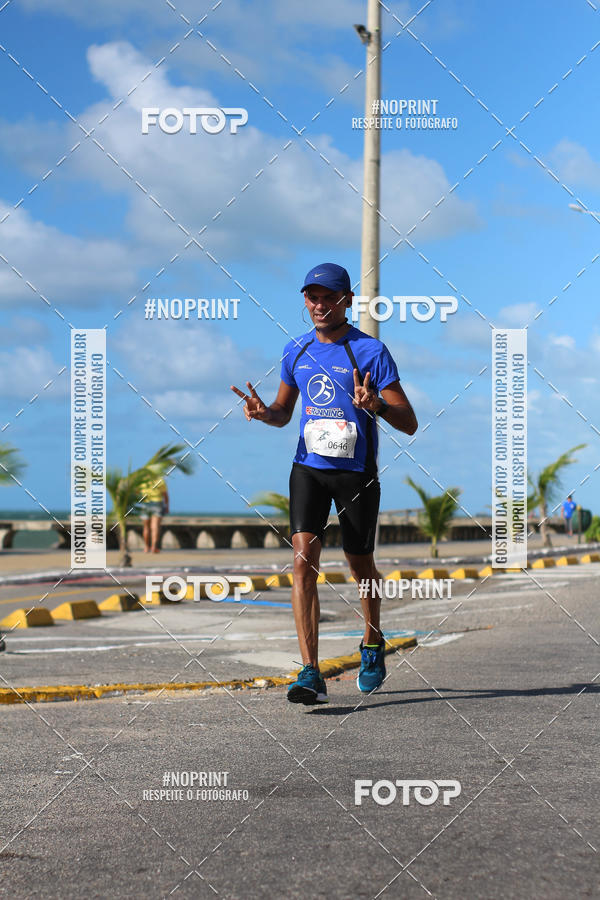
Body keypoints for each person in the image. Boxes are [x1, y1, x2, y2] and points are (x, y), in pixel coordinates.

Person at [231, 263, 417, 705]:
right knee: (302, 562)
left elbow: (408, 422)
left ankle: (373, 644)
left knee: (360, 567)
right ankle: (310, 671)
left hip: (355, 475)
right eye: (311, 297)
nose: (319, 304)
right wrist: (263, 413)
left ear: (347, 300)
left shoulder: (371, 352)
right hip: (308, 469)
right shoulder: (294, 351)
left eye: (328, 296)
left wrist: (377, 406)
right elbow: (282, 413)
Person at [137, 476, 169, 553]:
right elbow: (165, 495)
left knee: (146, 527)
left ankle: (146, 547)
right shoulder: (159, 479)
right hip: (157, 503)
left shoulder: (143, 480)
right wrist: (167, 506)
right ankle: (154, 547)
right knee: (155, 527)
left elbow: (137, 492)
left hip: (145, 503)